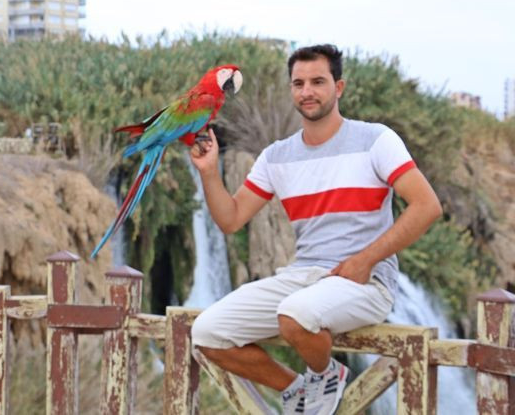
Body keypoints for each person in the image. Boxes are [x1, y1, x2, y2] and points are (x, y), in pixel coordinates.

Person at [189, 44, 442, 415]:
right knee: (206, 333)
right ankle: (301, 388)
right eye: (299, 83)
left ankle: (325, 373)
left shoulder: (376, 140)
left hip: (365, 281)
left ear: (338, 87)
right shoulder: (277, 156)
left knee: (295, 314)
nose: (307, 91)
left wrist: (364, 260)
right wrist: (209, 171)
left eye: (318, 82)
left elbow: (427, 206)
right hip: (304, 276)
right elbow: (230, 219)